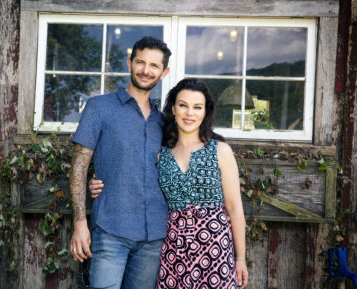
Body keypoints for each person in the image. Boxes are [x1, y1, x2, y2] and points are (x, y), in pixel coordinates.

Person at [90, 79, 248, 288]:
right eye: (183, 105)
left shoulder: (220, 151)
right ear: (173, 109)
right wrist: (99, 181)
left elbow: (235, 208)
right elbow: (130, 172)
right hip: (174, 248)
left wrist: (240, 258)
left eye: (197, 107)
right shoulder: (161, 152)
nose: (189, 113)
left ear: (205, 112)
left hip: (215, 247)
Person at [69, 36, 172, 289]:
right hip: (110, 229)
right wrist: (80, 223)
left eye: (154, 65)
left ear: (164, 72)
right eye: (140, 62)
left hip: (154, 234)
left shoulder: (166, 122)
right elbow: (79, 167)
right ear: (129, 63)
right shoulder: (99, 108)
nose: (146, 70)